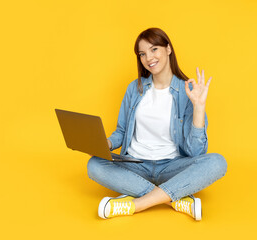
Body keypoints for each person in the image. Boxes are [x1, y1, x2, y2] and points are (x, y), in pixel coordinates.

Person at [87, 27, 227, 221]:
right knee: (94, 165)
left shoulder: (188, 91)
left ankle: (135, 204)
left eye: (154, 49)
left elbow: (197, 153)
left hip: (172, 167)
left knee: (217, 162)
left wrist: (199, 107)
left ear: (168, 49)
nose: (148, 58)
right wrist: (106, 144)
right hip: (135, 165)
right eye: (142, 54)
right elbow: (121, 131)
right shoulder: (134, 88)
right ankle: (174, 198)